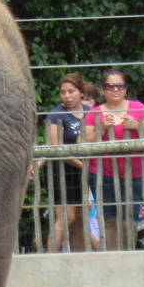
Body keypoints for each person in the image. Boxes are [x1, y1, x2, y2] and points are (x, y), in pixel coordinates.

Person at [84, 69, 144, 251]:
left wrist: (136, 125)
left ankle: (128, 254)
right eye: (110, 86)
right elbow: (84, 142)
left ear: (126, 89)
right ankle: (112, 256)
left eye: (120, 86)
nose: (115, 90)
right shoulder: (95, 113)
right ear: (103, 90)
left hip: (133, 172)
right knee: (108, 219)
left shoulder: (138, 108)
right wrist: (102, 129)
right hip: (101, 173)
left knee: (129, 219)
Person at [43, 74, 96, 253]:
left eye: (71, 91)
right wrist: (82, 165)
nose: (67, 96)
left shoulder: (90, 112)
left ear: (81, 92)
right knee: (66, 217)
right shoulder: (56, 114)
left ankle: (79, 258)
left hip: (85, 171)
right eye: (63, 92)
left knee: (82, 219)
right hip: (63, 172)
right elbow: (56, 148)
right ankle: (49, 258)